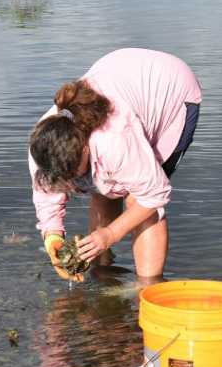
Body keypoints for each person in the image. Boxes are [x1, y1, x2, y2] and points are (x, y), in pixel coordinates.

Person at [28, 48, 202, 282]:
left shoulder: (115, 139)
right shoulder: (44, 141)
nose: (69, 183)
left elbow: (153, 195)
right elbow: (47, 195)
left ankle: (147, 287)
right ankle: (101, 272)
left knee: (136, 199)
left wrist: (111, 234)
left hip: (171, 87)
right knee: (103, 186)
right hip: (124, 71)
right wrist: (53, 237)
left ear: (85, 149)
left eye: (71, 176)